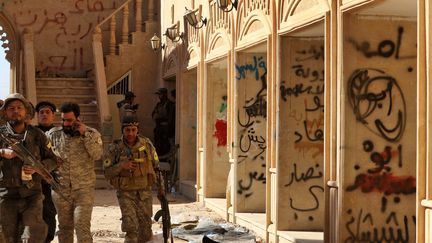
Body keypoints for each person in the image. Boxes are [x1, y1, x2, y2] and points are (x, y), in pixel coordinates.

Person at [0, 93, 58, 242]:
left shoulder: (37, 135)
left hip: (32, 195)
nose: (16, 111)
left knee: (33, 236)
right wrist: (2, 152)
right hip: (5, 195)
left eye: (19, 107)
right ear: (6, 112)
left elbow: (54, 159)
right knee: (7, 237)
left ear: (25, 111)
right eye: (11, 108)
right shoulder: (1, 134)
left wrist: (38, 168)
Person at [46, 102, 103, 243]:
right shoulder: (53, 135)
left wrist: (85, 135)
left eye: (69, 120)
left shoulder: (92, 134)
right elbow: (43, 157)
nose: (65, 123)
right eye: (63, 119)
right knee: (64, 228)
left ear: (79, 118)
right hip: (61, 190)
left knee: (81, 226)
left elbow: (97, 155)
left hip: (83, 189)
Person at [104, 115, 160, 242]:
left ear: (137, 130)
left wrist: (161, 191)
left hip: (144, 192)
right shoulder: (115, 148)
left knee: (145, 230)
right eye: (127, 130)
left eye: (133, 130)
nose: (130, 133)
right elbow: (107, 173)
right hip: (125, 193)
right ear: (122, 130)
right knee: (131, 227)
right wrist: (121, 166)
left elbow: (157, 167)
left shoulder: (147, 144)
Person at [35, 101, 58, 243]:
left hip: (51, 182)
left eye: (47, 112)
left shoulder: (59, 135)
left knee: (49, 213)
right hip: (33, 182)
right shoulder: (30, 133)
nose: (44, 115)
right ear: (37, 116)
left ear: (53, 116)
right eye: (41, 112)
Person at [151, 88, 175, 156]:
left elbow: (170, 119)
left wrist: (168, 130)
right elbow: (153, 114)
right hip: (158, 128)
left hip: (165, 129)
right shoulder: (159, 104)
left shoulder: (170, 104)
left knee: (164, 146)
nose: (159, 96)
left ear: (165, 94)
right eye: (158, 94)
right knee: (157, 145)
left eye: (160, 94)